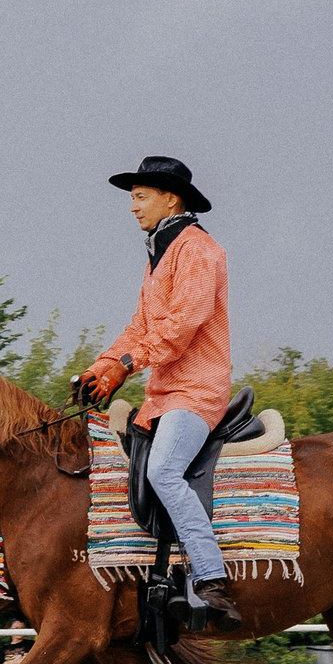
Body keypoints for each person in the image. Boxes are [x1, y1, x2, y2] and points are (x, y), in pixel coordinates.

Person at [73, 156, 239, 624]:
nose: (133, 207)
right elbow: (139, 327)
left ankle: (211, 579)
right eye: (132, 198)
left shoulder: (200, 250)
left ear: (171, 199)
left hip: (196, 391)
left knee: (164, 470)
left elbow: (181, 324)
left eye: (140, 197)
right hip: (163, 394)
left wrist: (127, 365)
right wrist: (100, 369)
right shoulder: (160, 254)